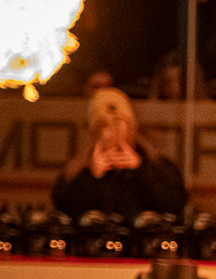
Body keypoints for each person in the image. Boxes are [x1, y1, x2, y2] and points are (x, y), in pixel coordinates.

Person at [51, 88, 188, 220]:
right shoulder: (77, 170)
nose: (114, 132)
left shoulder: (158, 165)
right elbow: (64, 212)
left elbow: (173, 206)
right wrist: (92, 177)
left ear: (131, 128)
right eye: (105, 125)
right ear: (95, 132)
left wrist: (141, 169)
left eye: (119, 123)